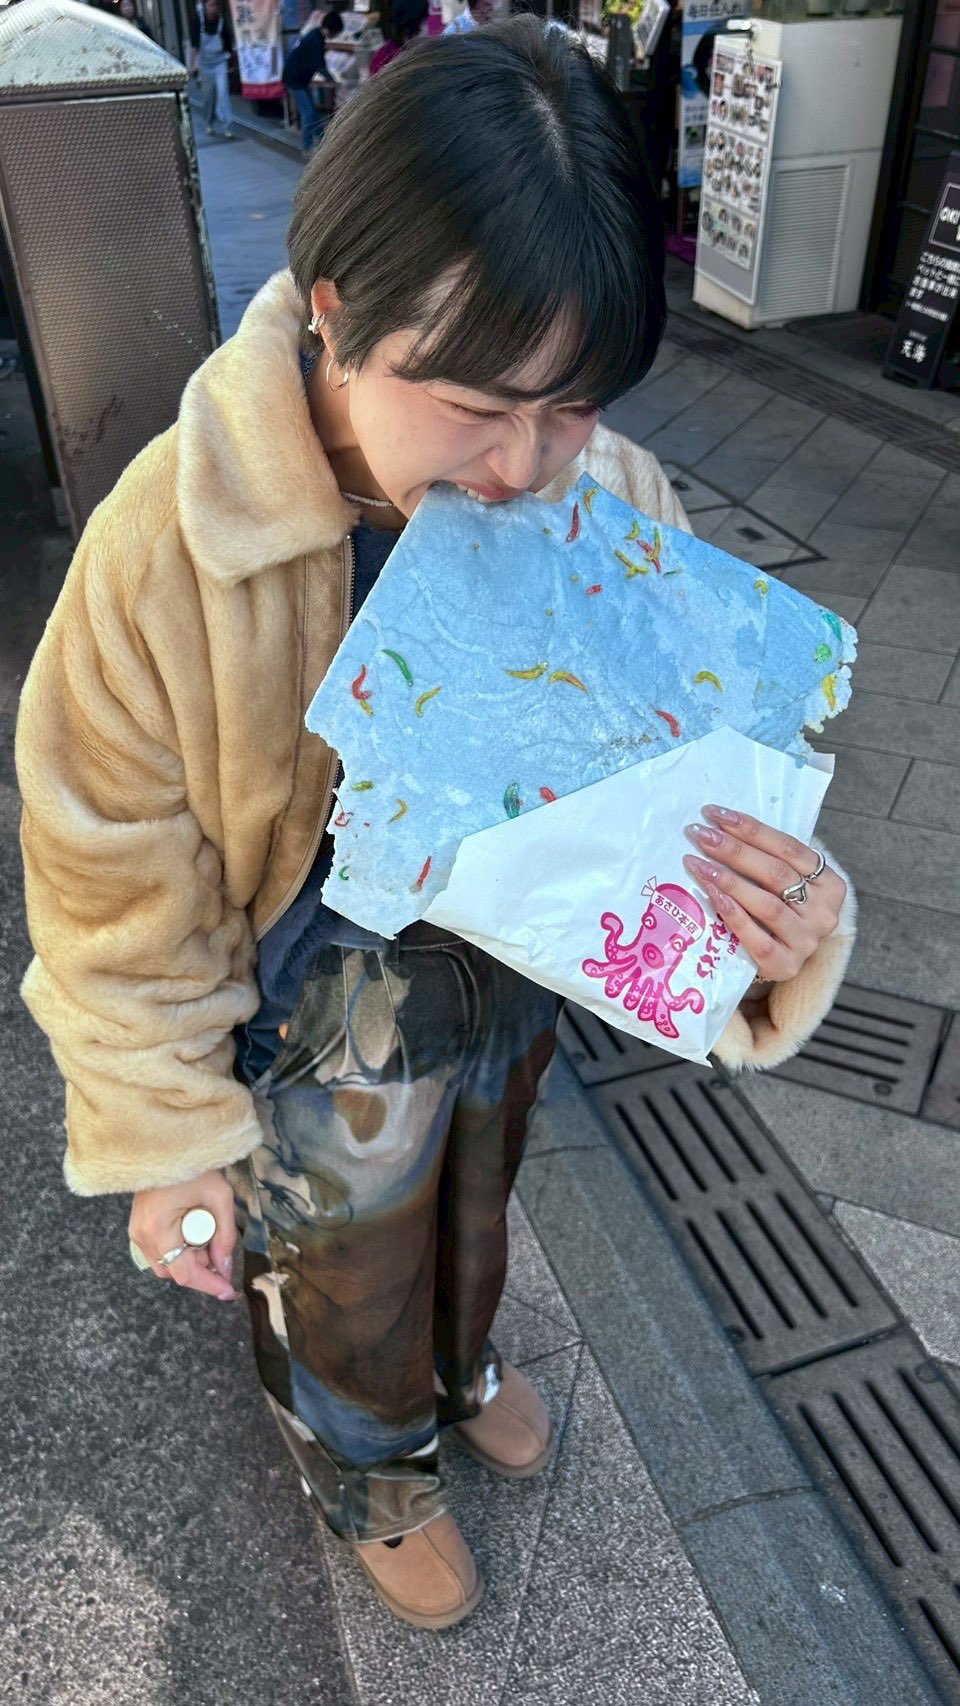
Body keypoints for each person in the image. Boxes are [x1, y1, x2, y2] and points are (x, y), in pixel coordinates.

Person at [15, 18, 855, 1632]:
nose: (529, 463)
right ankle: (367, 1466)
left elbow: (693, 790)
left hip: (512, 967)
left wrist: (773, 921)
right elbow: (108, 863)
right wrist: (167, 1137)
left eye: (574, 405)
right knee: (338, 1250)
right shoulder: (169, 547)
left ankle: (460, 1366)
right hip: (310, 988)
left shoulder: (609, 496)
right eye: (479, 402)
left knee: (481, 1184)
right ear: (336, 314)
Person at [283, 8, 342, 153]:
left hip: (300, 79)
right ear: (329, 29)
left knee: (313, 112)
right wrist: (332, 80)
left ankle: (324, 142)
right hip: (294, 79)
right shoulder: (315, 39)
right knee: (308, 112)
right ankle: (307, 147)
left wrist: (330, 78)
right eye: (335, 33)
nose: (335, 36)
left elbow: (320, 62)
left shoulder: (317, 36)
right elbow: (319, 65)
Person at [189, 0, 235, 140]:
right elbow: (194, 46)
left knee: (223, 94)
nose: (213, 8)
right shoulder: (198, 21)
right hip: (205, 64)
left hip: (220, 62)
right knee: (209, 97)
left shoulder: (221, 22)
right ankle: (208, 123)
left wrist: (231, 60)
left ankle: (228, 127)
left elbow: (228, 44)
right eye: (210, 5)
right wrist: (192, 66)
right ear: (205, 7)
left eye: (215, 5)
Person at [368, 0, 428, 74]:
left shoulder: (384, 54)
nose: (427, 28)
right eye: (424, 22)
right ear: (413, 26)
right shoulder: (385, 59)